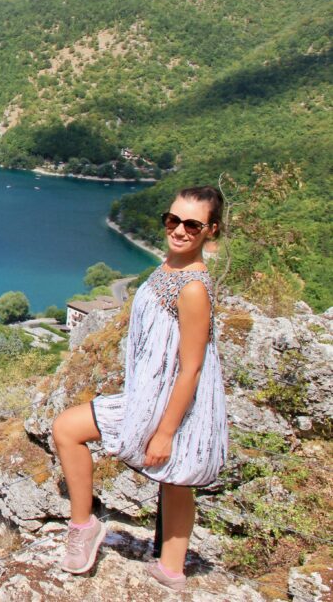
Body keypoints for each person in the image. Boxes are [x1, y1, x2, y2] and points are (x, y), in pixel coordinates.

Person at [52, 186, 227, 591]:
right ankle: (150, 558)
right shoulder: (169, 267)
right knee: (174, 478)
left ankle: (102, 534)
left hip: (173, 400)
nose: (179, 230)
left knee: (173, 476)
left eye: (192, 224)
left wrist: (165, 431)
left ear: (210, 231)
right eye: (172, 220)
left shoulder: (194, 287)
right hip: (152, 392)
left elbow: (193, 367)